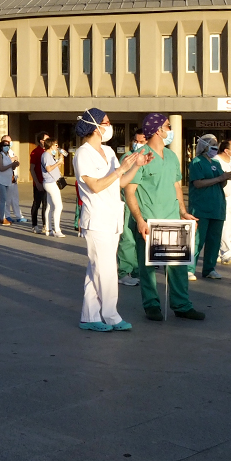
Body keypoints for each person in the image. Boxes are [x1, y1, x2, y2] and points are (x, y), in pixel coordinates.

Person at [124, 113, 205, 322]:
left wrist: (183, 212)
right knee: (148, 267)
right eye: (168, 126)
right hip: (149, 222)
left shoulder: (171, 156)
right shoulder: (141, 156)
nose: (170, 130)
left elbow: (176, 185)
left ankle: (182, 304)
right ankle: (151, 305)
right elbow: (130, 191)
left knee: (178, 266)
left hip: (172, 219)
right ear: (158, 130)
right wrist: (139, 220)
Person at [73, 109, 147, 332]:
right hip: (97, 220)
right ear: (95, 126)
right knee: (105, 270)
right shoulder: (82, 154)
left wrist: (136, 165)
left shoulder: (108, 151)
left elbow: (121, 182)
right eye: (107, 122)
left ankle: (89, 316)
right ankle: (111, 315)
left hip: (112, 218)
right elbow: (95, 186)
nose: (109, 126)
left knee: (95, 269)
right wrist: (120, 170)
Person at [187, 134, 231, 282]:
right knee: (197, 240)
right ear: (204, 146)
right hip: (201, 207)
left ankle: (209, 268)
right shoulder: (197, 162)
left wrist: (225, 178)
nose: (215, 147)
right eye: (212, 144)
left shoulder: (216, 162)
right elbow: (198, 183)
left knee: (214, 241)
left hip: (217, 206)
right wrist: (220, 178)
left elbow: (220, 181)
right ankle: (189, 269)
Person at [117, 128, 147, 287]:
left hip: (144, 205)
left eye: (142, 142)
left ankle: (137, 270)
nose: (138, 144)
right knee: (128, 238)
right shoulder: (127, 158)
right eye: (136, 141)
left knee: (140, 240)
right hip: (128, 202)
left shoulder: (151, 157)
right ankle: (124, 272)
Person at [41, 137, 65, 237]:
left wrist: (59, 161)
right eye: (55, 145)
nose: (57, 147)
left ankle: (49, 229)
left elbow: (53, 167)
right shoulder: (46, 155)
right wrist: (58, 163)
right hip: (50, 182)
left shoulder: (50, 155)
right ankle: (57, 230)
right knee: (58, 206)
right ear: (50, 146)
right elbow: (49, 168)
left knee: (50, 206)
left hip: (51, 181)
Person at [0, 137, 19, 226]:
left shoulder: (7, 156)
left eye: (8, 145)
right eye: (5, 145)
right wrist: (12, 164)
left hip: (6, 180)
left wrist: (14, 165)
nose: (7, 147)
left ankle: (1, 217)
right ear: (1, 146)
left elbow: (10, 167)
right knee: (3, 198)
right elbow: (1, 168)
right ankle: (2, 218)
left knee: (2, 198)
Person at [29, 132, 49, 233]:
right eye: (46, 140)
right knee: (37, 203)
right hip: (39, 182)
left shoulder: (49, 152)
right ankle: (34, 224)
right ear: (41, 141)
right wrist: (37, 182)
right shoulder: (35, 152)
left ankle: (45, 224)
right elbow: (32, 169)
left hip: (47, 182)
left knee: (46, 204)